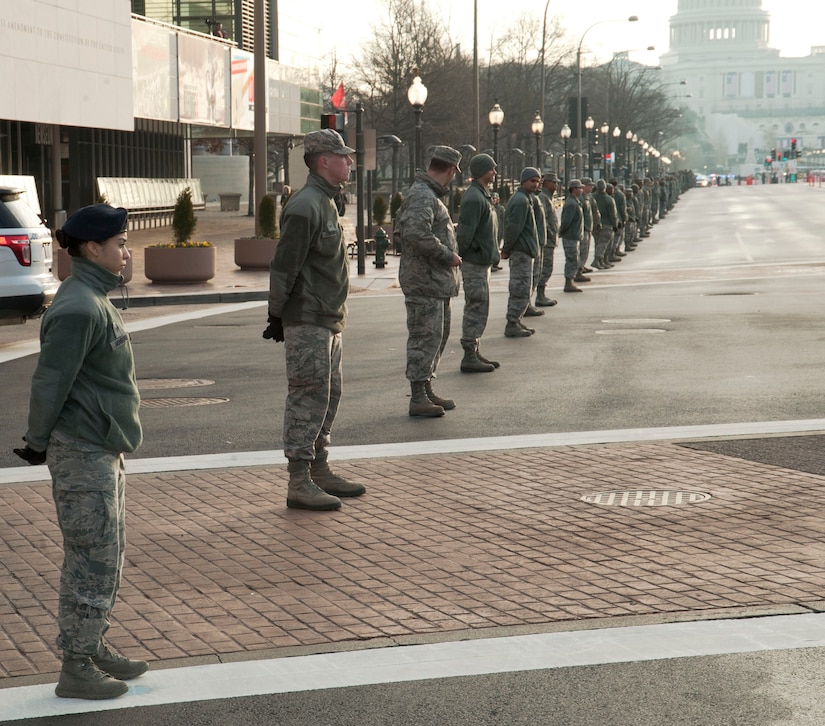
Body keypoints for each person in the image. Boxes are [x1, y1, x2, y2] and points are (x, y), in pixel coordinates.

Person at [15, 204, 148, 700]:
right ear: (93, 248)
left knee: (107, 553)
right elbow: (50, 381)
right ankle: (76, 664)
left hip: (101, 446)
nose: (126, 250)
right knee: (92, 556)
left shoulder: (92, 298)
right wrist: (36, 441)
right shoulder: (78, 307)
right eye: (120, 243)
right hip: (83, 450)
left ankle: (92, 645)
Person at [264, 129, 366, 511]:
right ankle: (299, 479)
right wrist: (277, 313)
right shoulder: (306, 205)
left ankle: (319, 468)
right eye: (344, 157)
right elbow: (284, 265)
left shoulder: (326, 202)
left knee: (328, 393)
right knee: (308, 395)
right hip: (307, 317)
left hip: (327, 317)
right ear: (324, 160)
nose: (350, 163)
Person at [395, 145, 463, 417]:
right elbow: (416, 234)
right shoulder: (423, 196)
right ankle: (418, 395)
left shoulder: (429, 195)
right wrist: (448, 256)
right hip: (425, 282)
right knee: (424, 337)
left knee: (436, 337)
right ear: (451, 170)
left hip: (434, 283)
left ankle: (426, 386)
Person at [456, 153, 500, 373]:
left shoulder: (482, 195)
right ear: (482, 170)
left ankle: (474, 348)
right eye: (491, 168)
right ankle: (469, 354)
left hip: (482, 261)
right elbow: (464, 234)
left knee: (481, 307)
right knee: (476, 306)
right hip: (474, 263)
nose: (494, 172)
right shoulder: (474, 198)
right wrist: (465, 254)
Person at [502, 167, 541, 337]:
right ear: (523, 181)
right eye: (532, 181)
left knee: (523, 287)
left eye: (537, 181)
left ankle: (516, 320)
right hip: (521, 252)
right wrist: (507, 249)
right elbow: (513, 228)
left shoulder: (525, 198)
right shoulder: (520, 201)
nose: (536, 184)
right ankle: (512, 322)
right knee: (520, 288)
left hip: (524, 251)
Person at [535, 171, 559, 307]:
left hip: (549, 240)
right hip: (546, 241)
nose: (555, 185)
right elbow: (542, 220)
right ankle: (540, 296)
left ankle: (541, 294)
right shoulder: (543, 198)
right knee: (545, 269)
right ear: (546, 183)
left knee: (546, 268)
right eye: (553, 182)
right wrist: (549, 234)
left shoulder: (548, 197)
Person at [558, 179, 585, 292]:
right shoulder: (571, 204)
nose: (581, 190)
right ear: (574, 189)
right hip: (570, 236)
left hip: (574, 236)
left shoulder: (574, 202)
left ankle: (571, 280)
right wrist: (561, 232)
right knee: (571, 259)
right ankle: (569, 282)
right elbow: (566, 222)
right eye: (580, 188)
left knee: (574, 259)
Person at [591, 179, 618, 270]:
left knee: (597, 243)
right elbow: (613, 214)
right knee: (604, 244)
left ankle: (601, 261)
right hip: (606, 224)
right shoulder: (609, 199)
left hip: (595, 224)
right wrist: (615, 225)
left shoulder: (591, 197)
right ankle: (597, 260)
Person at [490, 192, 505, 271]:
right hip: (492, 232)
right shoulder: (490, 208)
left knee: (497, 249)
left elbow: (504, 220)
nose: (494, 200)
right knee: (492, 249)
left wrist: (503, 232)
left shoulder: (501, 209)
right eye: (492, 198)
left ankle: (495, 263)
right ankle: (492, 264)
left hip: (499, 232)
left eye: (495, 198)